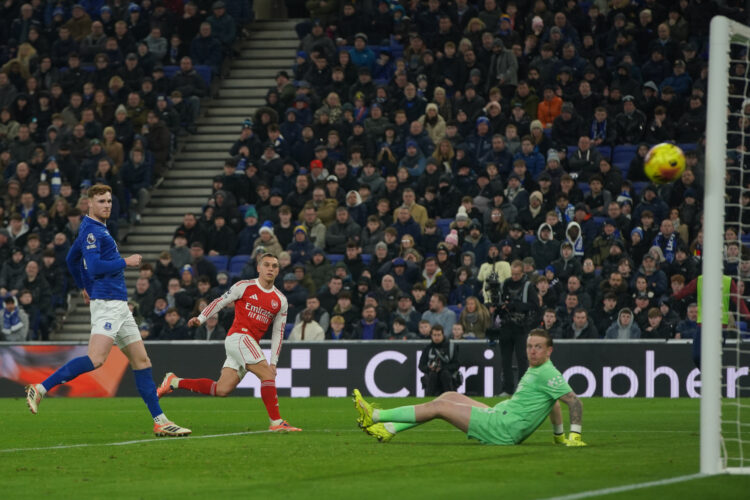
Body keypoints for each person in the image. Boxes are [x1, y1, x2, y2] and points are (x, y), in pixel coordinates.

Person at [24, 184, 191, 437]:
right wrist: (126, 261)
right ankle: (40, 388)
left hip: (119, 304)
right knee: (96, 359)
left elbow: (71, 259)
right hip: (108, 303)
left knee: (142, 361)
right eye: (101, 201)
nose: (107, 205)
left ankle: (161, 421)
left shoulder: (94, 228)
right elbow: (93, 266)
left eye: (110, 201)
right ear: (89, 204)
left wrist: (83, 286)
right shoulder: (93, 231)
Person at [352, 329, 585, 446]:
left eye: (538, 347)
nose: (532, 351)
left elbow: (574, 402)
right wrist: (558, 437)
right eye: (529, 346)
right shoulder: (538, 371)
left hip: (502, 428)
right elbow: (554, 403)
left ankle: (375, 415)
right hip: (499, 416)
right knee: (449, 395)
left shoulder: (546, 372)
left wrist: (574, 436)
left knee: (440, 407)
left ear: (549, 350)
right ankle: (390, 429)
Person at [156, 253, 301, 432]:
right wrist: (201, 318)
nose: (271, 268)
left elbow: (278, 332)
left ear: (278, 271)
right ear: (258, 268)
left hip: (248, 343)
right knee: (267, 375)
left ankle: (175, 381)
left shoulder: (280, 300)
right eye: (267, 265)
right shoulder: (244, 286)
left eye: (275, 266)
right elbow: (220, 302)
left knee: (222, 389)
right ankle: (276, 422)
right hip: (239, 337)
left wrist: (274, 362)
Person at [419, 324, 461, 396]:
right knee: (433, 375)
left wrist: (442, 368)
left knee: (445, 374)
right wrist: (430, 368)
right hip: (432, 377)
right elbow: (421, 366)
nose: (437, 337)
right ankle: (429, 399)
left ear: (443, 335)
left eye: (439, 335)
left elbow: (457, 364)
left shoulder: (451, 347)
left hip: (447, 377)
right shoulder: (427, 348)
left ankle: (450, 397)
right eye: (434, 335)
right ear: (431, 336)